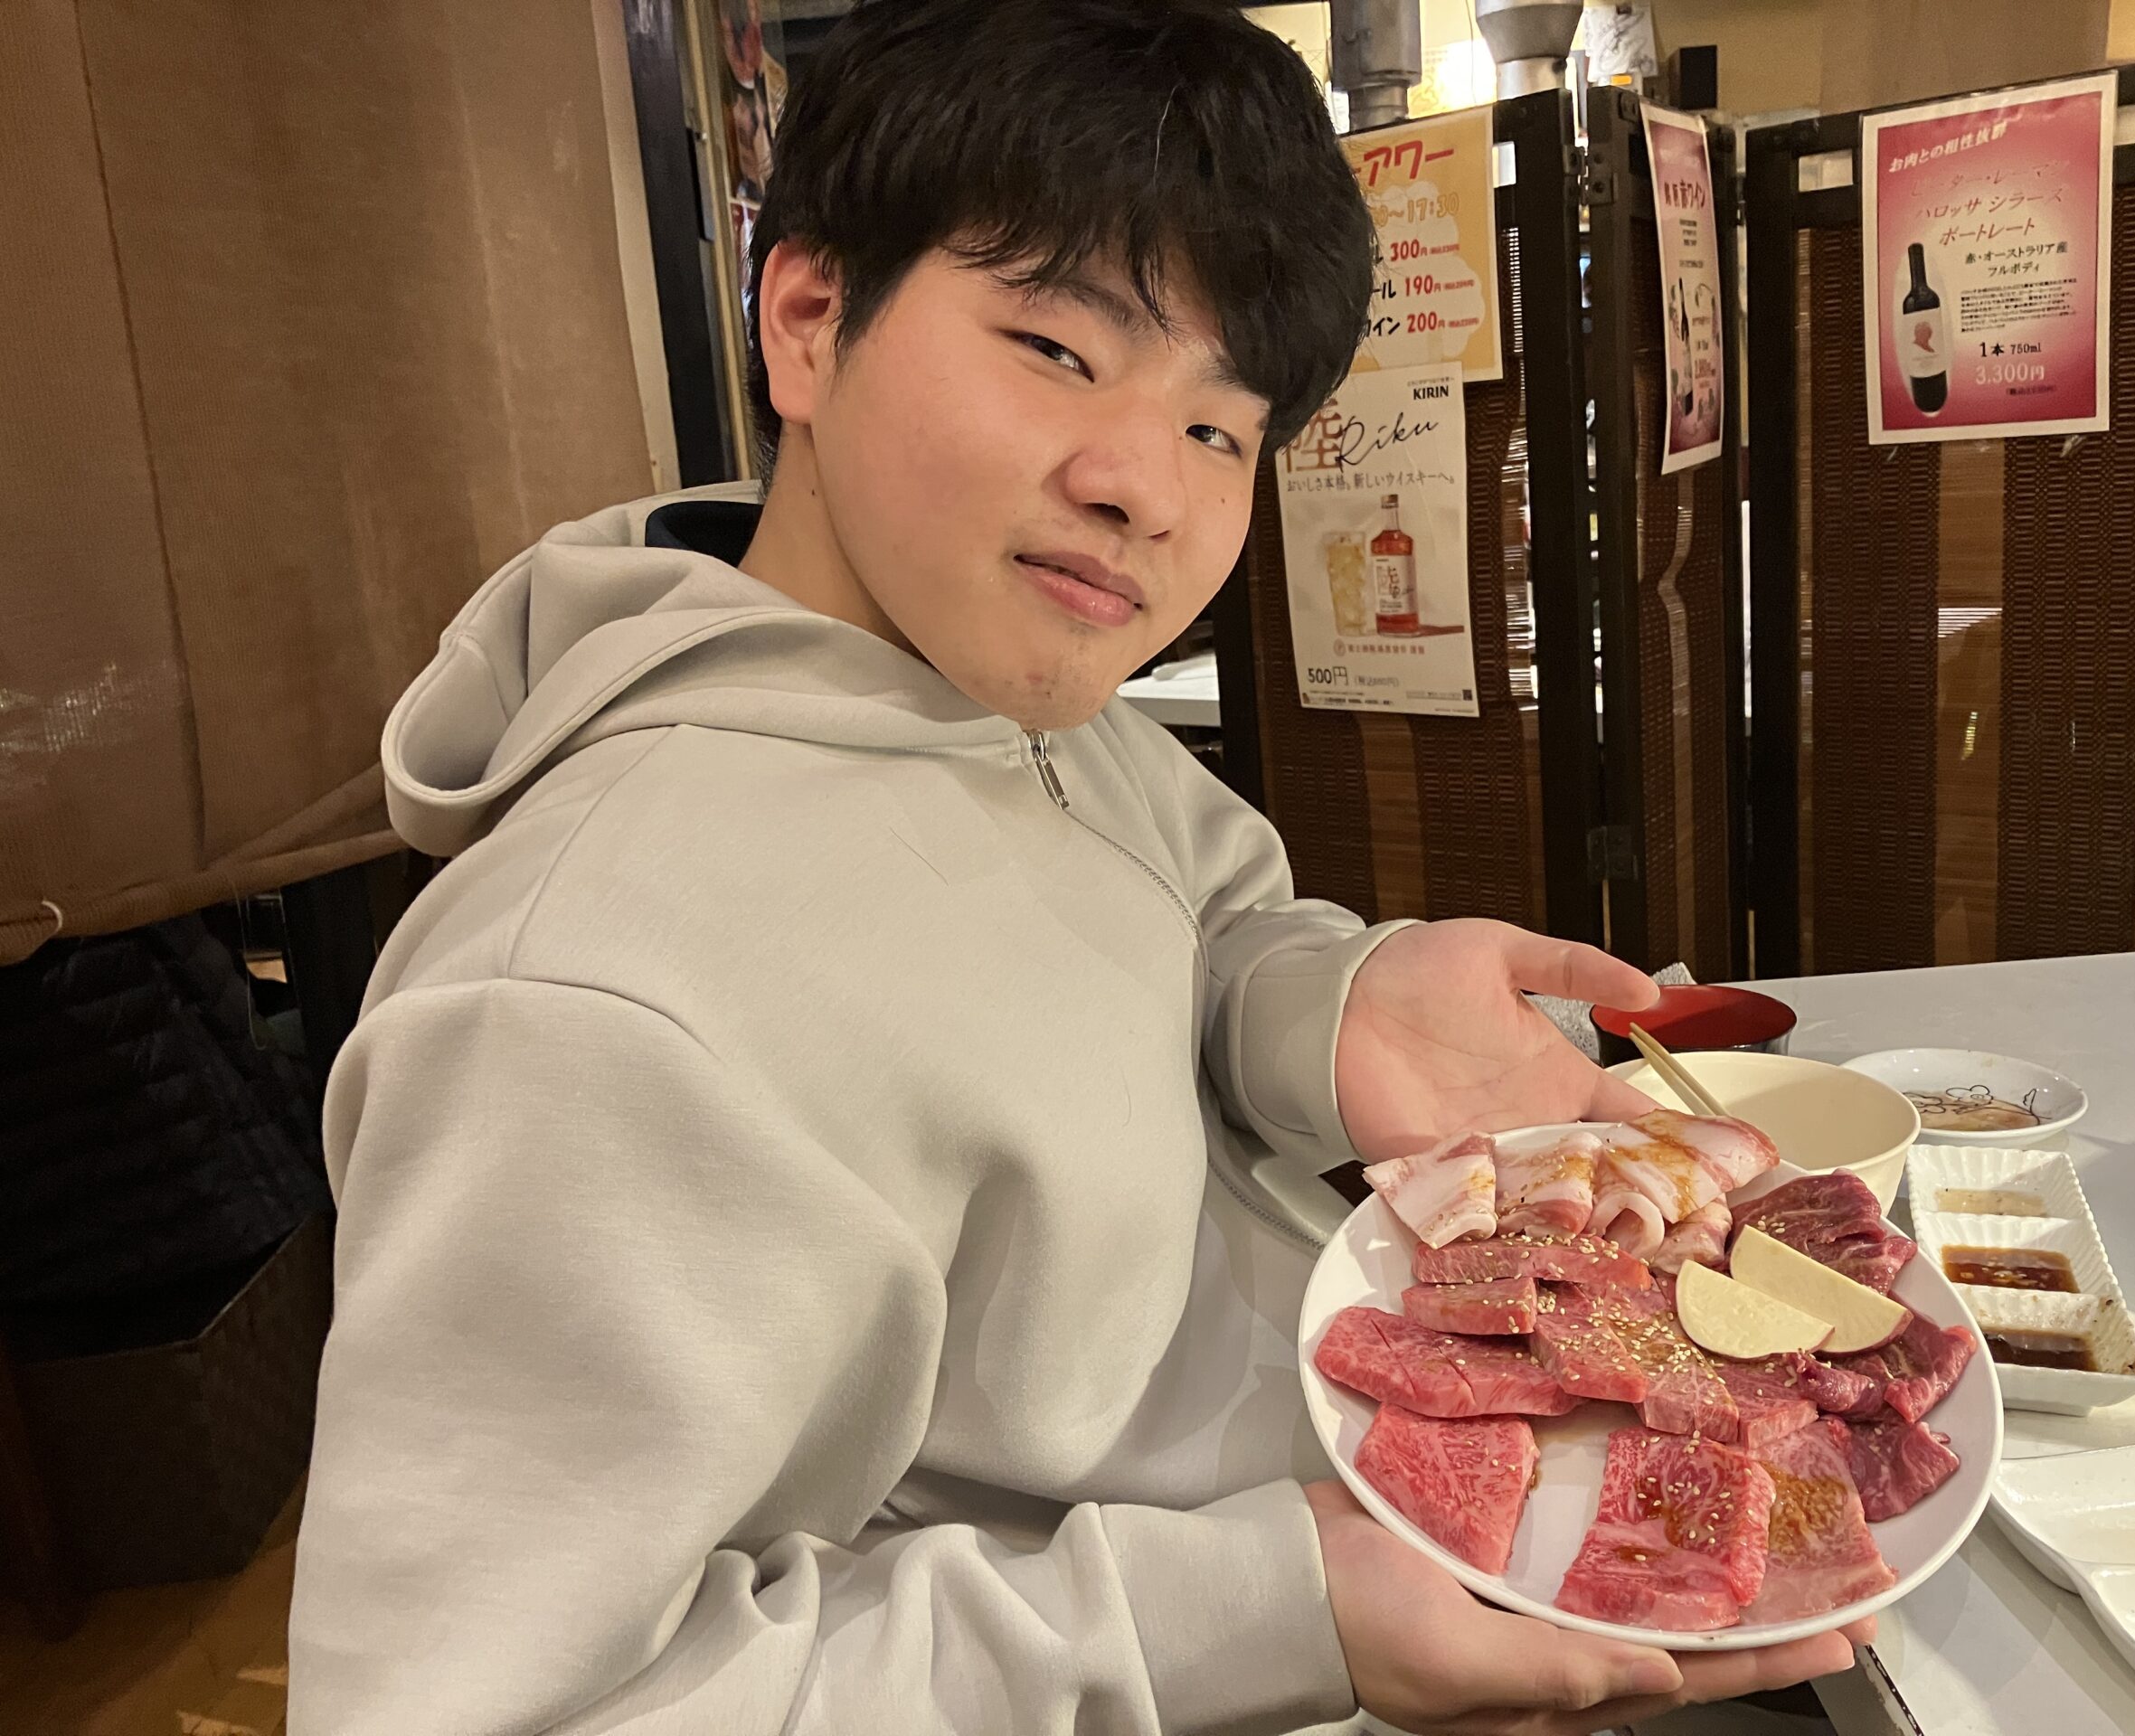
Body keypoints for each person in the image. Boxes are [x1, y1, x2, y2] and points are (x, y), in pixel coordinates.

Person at [287, 2, 1868, 1730]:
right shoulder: (582, 996)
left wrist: (1325, 1005)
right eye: (1056, 348)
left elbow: (1201, 922)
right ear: (807, 320)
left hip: (1401, 1522)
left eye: (1221, 431)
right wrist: (1267, 1614)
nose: (1145, 491)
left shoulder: (1019, 703)